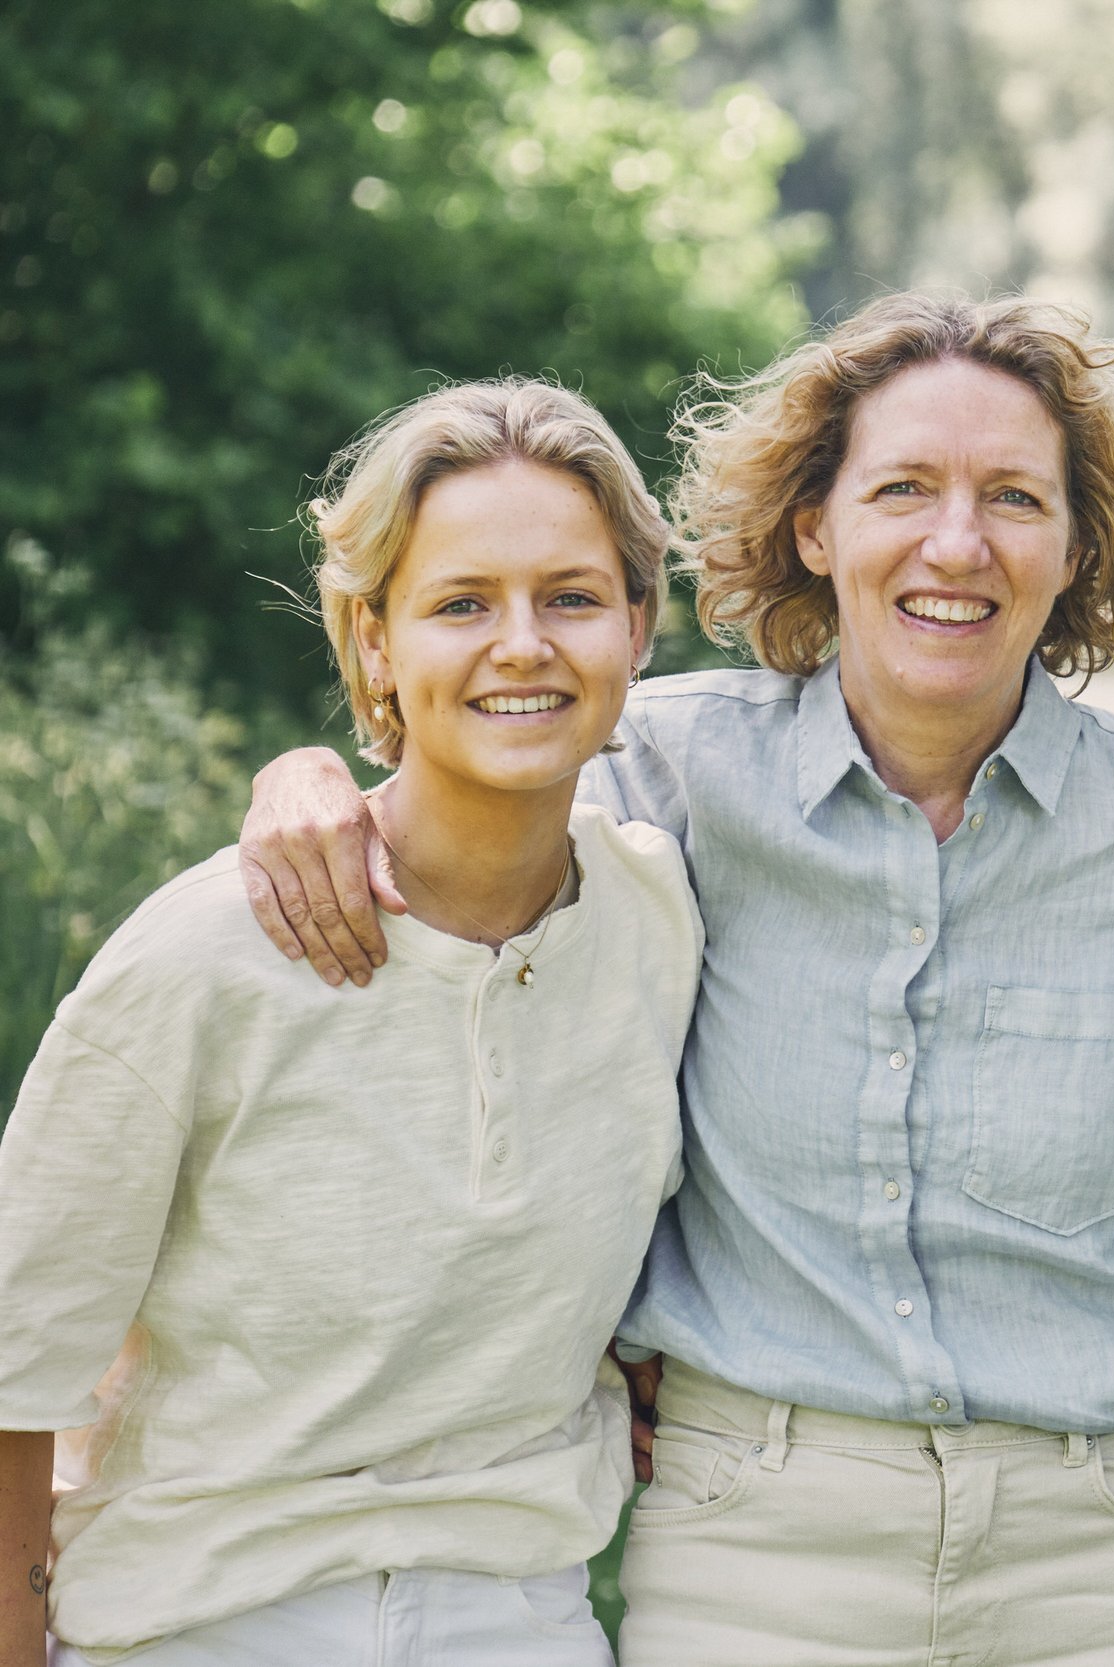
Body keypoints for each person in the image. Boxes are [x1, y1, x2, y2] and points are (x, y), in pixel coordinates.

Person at [237, 293, 1114, 1667]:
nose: (954, 543)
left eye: (1016, 497)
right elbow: (443, 816)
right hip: (758, 1532)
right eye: (901, 487)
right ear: (813, 525)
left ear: (1079, 540)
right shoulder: (655, 781)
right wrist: (305, 778)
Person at [0, 379, 704, 1665]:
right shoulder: (204, 952)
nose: (523, 643)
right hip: (201, 1618)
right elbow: (11, 1361)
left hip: (523, 1614)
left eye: (572, 595)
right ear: (373, 641)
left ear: (640, 624)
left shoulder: (664, 916)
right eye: (459, 604)